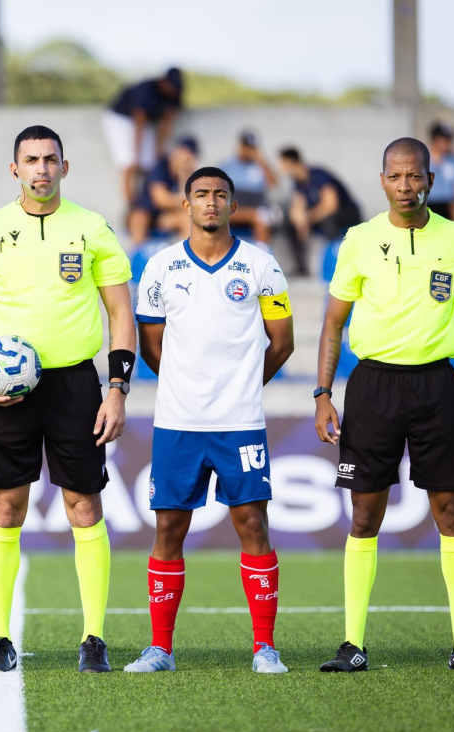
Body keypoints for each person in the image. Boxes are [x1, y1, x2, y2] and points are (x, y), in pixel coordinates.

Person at [314, 137, 454, 672]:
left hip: (437, 388)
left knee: (448, 508)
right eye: (395, 177)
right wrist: (324, 394)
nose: (405, 186)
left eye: (414, 176)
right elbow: (332, 325)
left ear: (430, 180)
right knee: (365, 512)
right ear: (382, 182)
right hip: (372, 388)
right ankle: (353, 645)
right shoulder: (358, 239)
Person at [0, 125, 135, 674]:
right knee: (6, 507)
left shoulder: (92, 228)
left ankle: (93, 637)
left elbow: (120, 313)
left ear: (65, 166)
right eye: (30, 160)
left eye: (50, 159)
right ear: (15, 169)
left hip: (75, 386)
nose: (41, 169)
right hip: (7, 391)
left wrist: (117, 387)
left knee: (84, 506)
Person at [128, 166, 294, 674]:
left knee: (252, 524)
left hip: (240, 421)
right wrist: (188, 385)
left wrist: (242, 386)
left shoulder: (264, 267)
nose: (211, 202)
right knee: (170, 527)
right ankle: (161, 649)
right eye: (201, 194)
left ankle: (264, 647)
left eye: (221, 194)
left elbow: (282, 342)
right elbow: (150, 347)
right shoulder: (158, 268)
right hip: (178, 420)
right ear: (186, 204)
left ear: (232, 204)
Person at [103, 67, 184, 211]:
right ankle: (132, 208)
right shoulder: (146, 90)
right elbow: (138, 123)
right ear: (163, 81)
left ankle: (148, 204)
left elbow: (167, 122)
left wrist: (159, 149)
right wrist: (136, 154)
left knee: (150, 163)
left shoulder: (175, 94)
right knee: (129, 163)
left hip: (146, 124)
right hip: (120, 119)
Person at [278, 147, 362, 275]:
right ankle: (301, 268)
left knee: (329, 221)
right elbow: (297, 207)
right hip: (320, 216)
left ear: (291, 162)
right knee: (290, 225)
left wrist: (308, 218)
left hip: (345, 214)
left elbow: (330, 206)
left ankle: (336, 264)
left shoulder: (318, 175)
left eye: (282, 163)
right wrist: (300, 222)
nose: (280, 167)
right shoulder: (297, 182)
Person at [128, 136, 199, 245]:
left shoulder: (191, 174)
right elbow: (162, 200)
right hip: (147, 214)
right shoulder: (161, 167)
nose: (184, 159)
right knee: (139, 217)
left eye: (188, 157)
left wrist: (184, 175)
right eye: (182, 154)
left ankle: (186, 256)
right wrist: (184, 202)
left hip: (166, 216)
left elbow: (193, 203)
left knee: (188, 219)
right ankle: (136, 255)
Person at [219, 130, 278, 244]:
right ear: (240, 146)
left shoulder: (260, 166)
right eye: (246, 147)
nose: (248, 151)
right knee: (257, 216)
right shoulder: (227, 165)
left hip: (256, 208)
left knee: (263, 216)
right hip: (232, 209)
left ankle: (262, 254)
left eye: (252, 147)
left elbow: (273, 185)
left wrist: (261, 160)